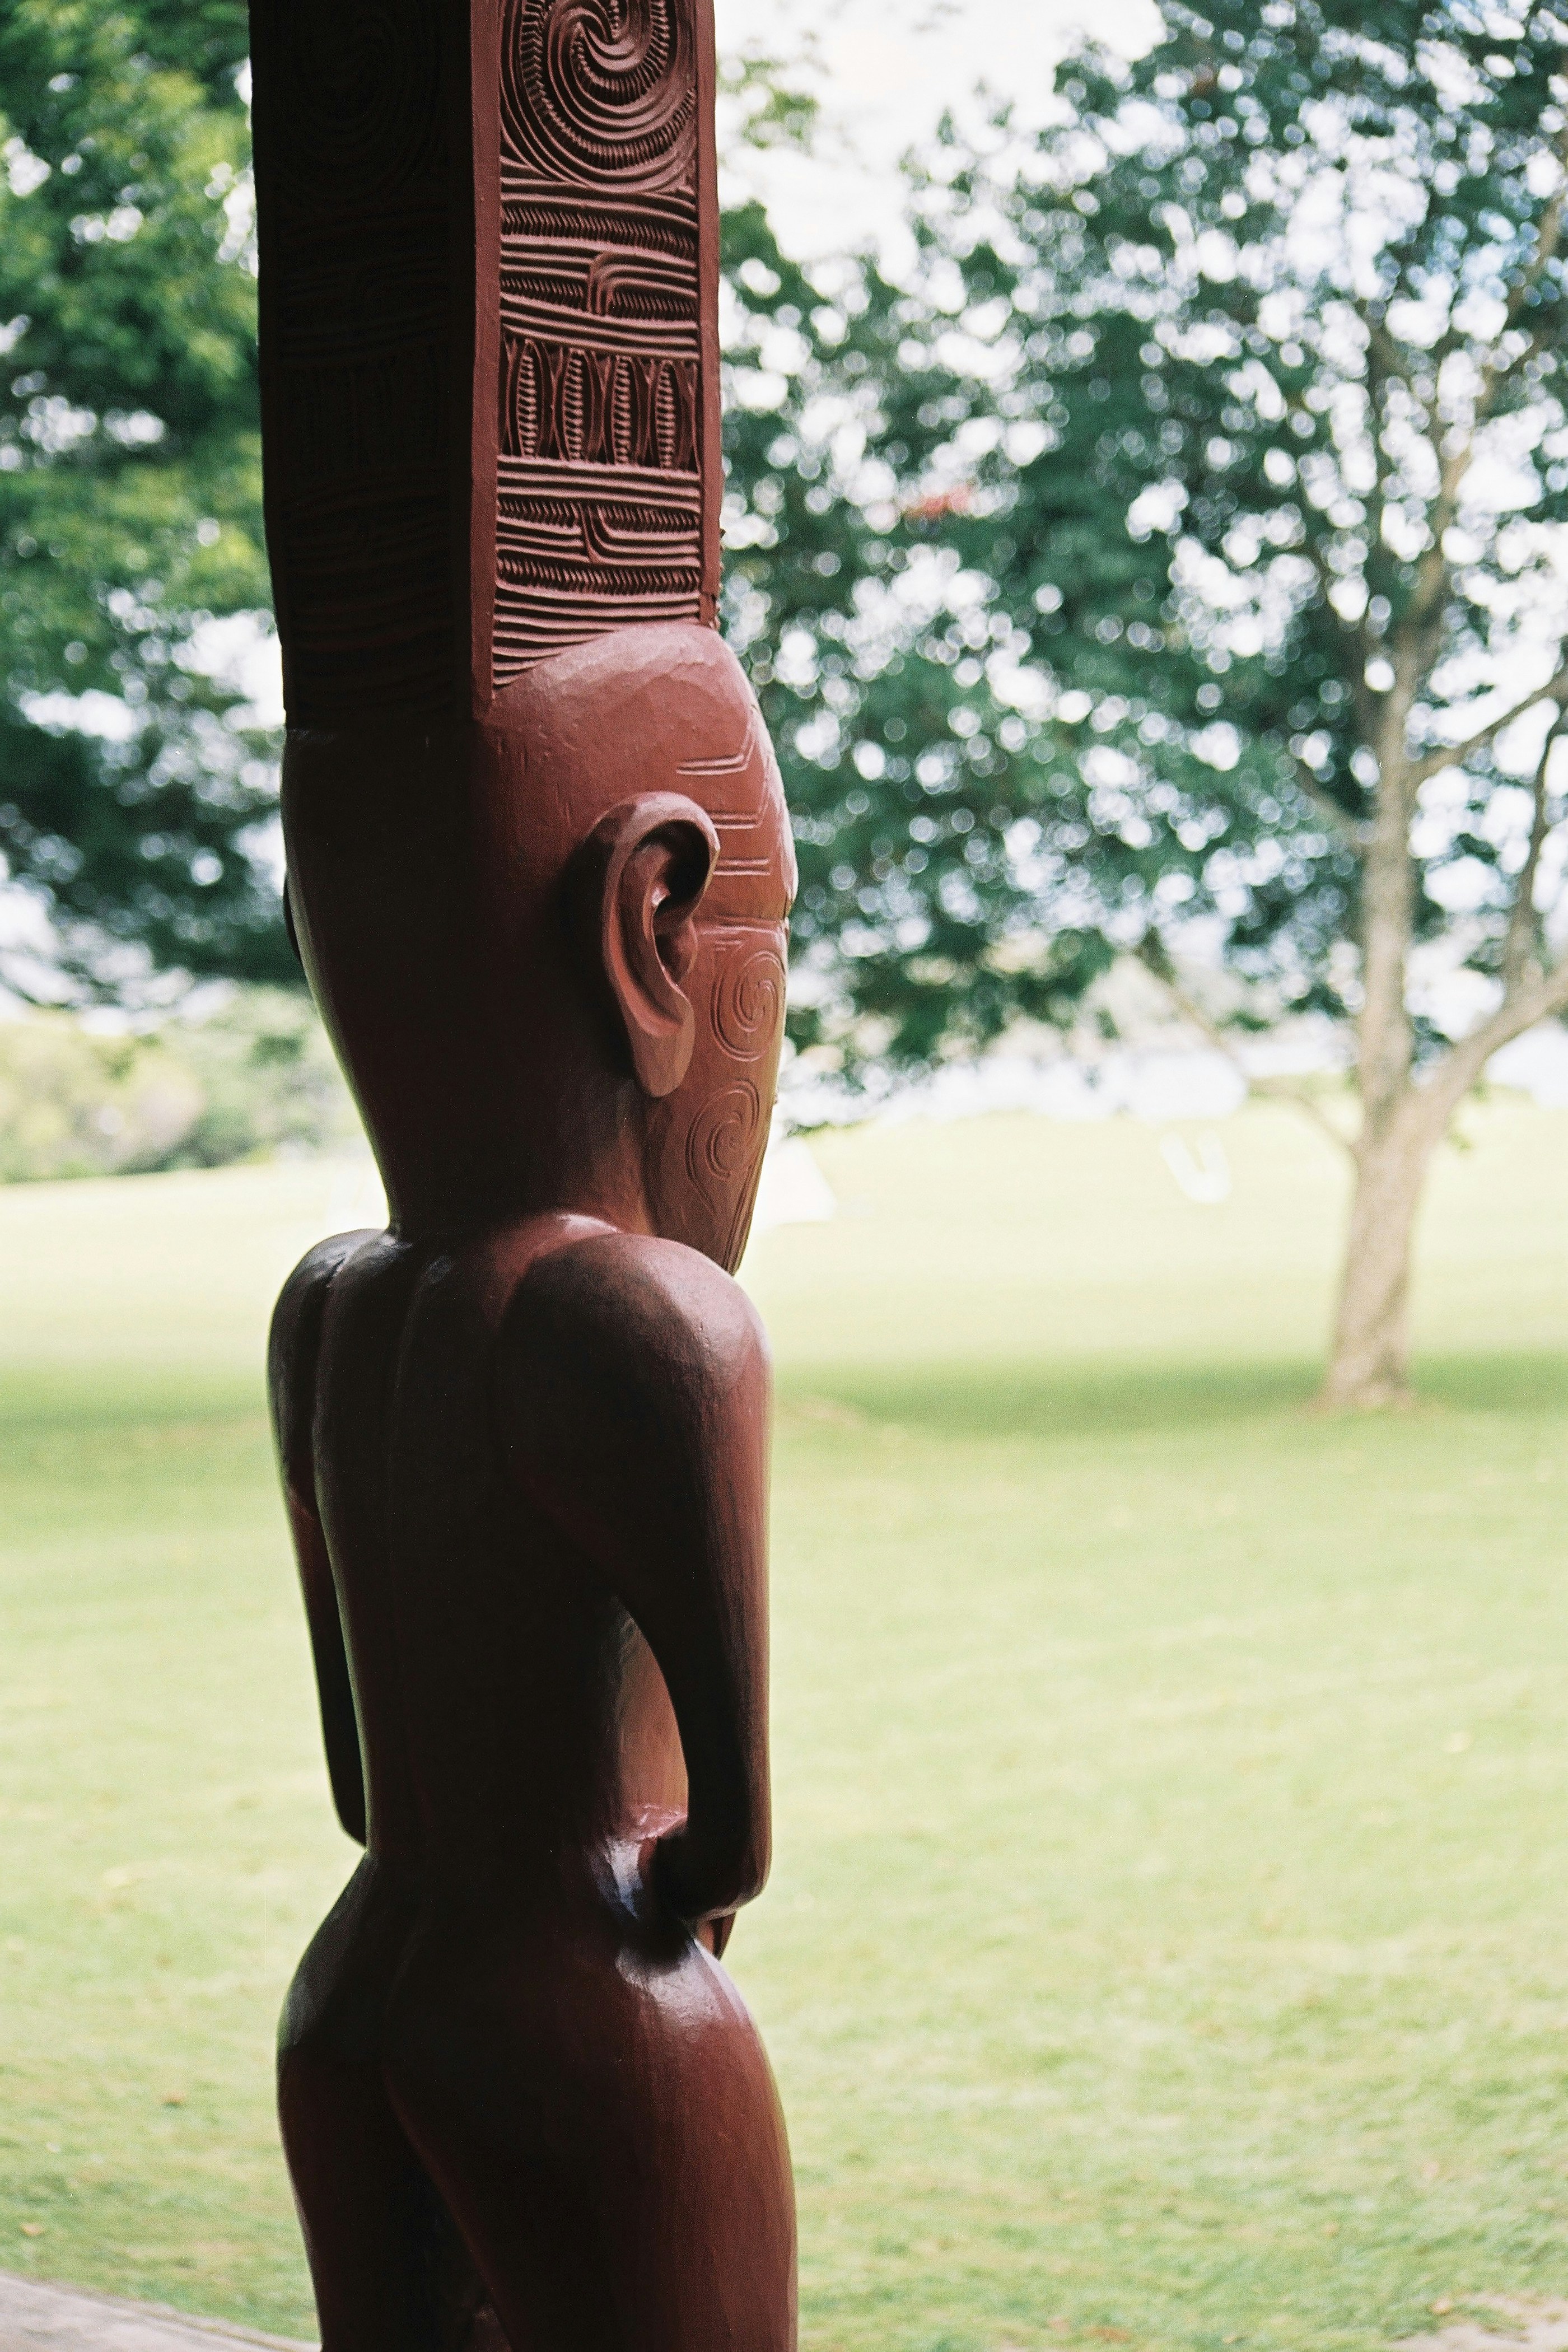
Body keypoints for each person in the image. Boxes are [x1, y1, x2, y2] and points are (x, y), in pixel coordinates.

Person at [267, 622, 797, 2351]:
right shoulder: (643, 1312)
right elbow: (728, 1836)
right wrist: (645, 1905)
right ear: (651, 926)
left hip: (358, 1985)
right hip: (581, 2002)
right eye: (760, 951)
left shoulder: (335, 1298)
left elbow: (361, 1780)